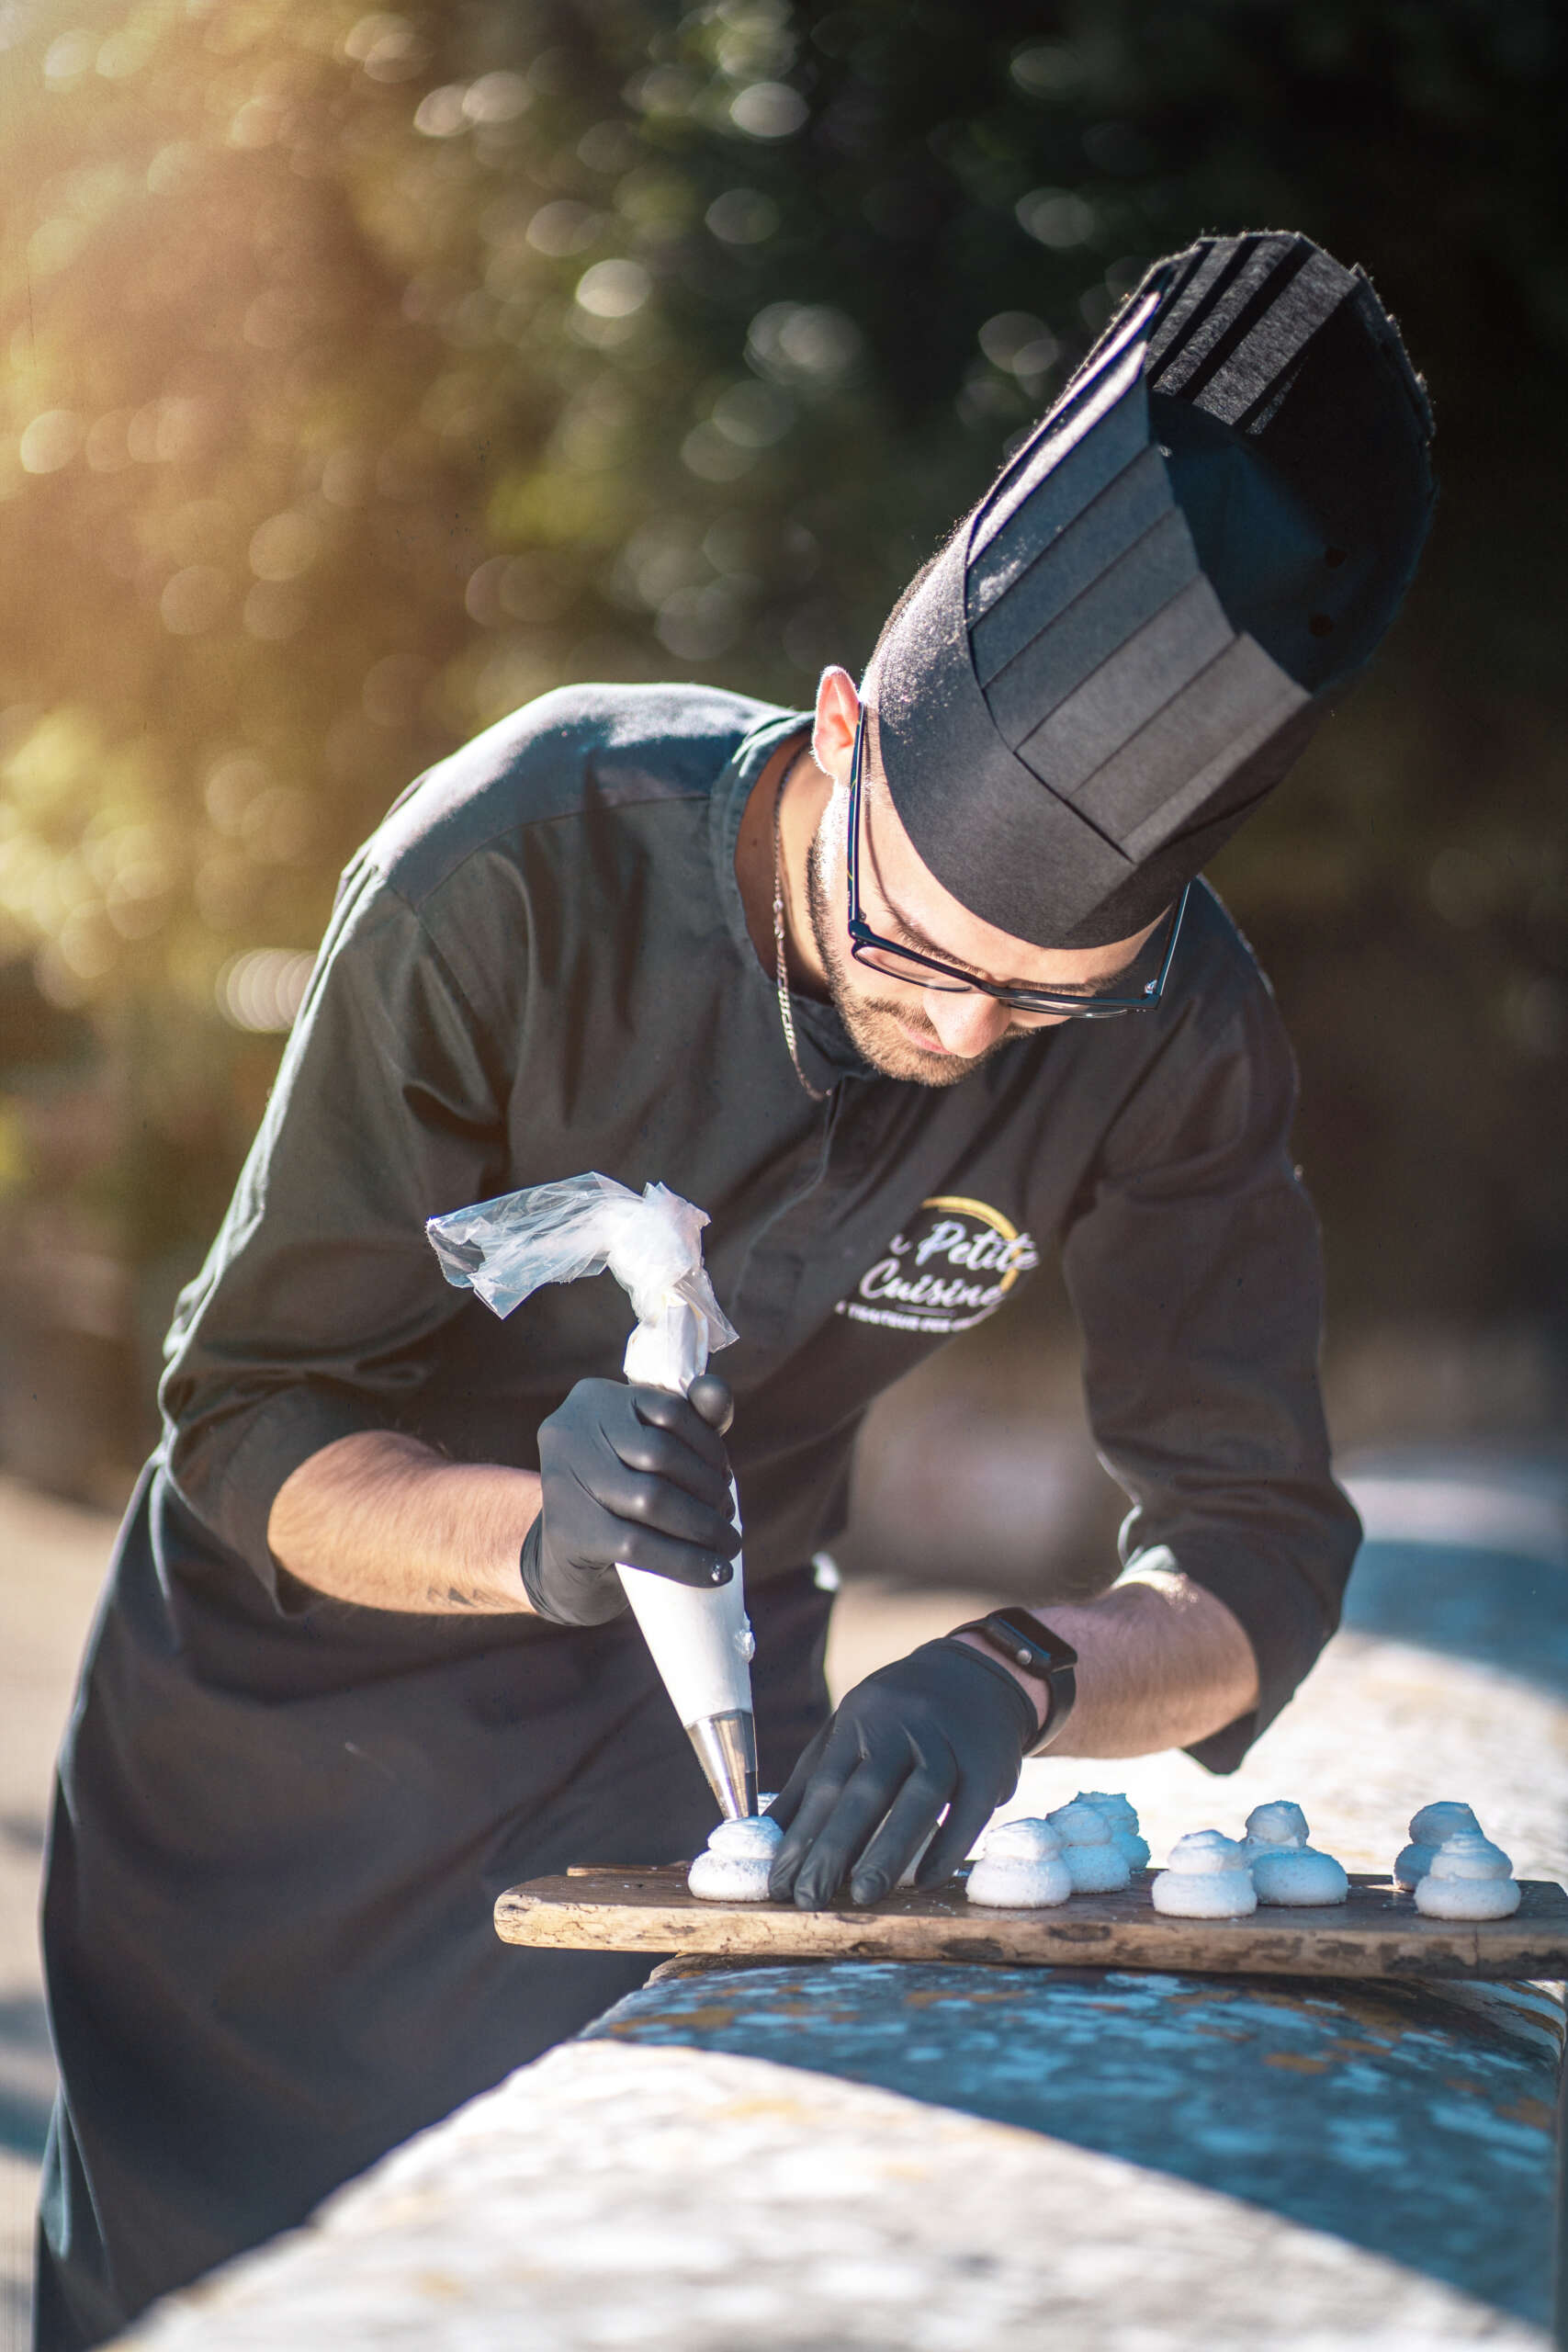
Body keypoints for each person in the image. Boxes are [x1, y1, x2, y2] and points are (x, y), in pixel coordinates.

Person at [35, 229, 1434, 2346]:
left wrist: (1021, 1676)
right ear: (845, 723)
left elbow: (1257, 1554)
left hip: (689, 1778)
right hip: (263, 1784)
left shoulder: (1172, 1027)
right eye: (910, 952)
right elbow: (244, 1418)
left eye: (1031, 1003)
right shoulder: (511, 861)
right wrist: (536, 1529)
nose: (956, 1036)